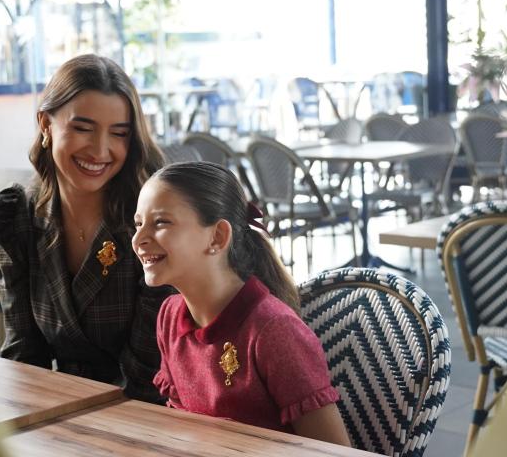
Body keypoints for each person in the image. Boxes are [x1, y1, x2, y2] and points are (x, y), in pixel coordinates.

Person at [0, 54, 169, 403]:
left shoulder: (154, 219)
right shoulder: (19, 215)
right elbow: (23, 352)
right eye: (83, 128)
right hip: (61, 412)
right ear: (45, 124)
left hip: (155, 414)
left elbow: (150, 372)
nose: (100, 150)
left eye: (119, 134)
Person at [133, 161, 351, 446]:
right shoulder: (169, 316)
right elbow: (183, 429)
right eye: (138, 224)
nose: (138, 239)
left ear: (217, 236)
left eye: (161, 222)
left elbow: (335, 452)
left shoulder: (274, 330)